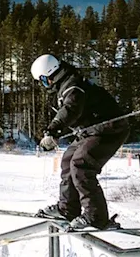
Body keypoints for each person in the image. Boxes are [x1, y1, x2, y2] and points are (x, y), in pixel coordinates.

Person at [31, 54, 129, 230]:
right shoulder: (67, 84)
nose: (46, 86)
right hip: (91, 130)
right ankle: (68, 209)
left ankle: (96, 217)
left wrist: (53, 131)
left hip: (109, 128)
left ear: (50, 75)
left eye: (44, 81)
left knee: (81, 164)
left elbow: (70, 109)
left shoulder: (73, 86)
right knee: (68, 161)